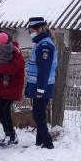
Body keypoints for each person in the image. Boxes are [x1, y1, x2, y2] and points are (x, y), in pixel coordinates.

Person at [25, 17, 57, 149]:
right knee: (39, 113)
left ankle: (48, 143)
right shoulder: (40, 43)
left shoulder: (45, 45)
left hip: (42, 86)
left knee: (38, 114)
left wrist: (40, 89)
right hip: (39, 85)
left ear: (39, 29)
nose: (30, 33)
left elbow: (44, 69)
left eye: (31, 30)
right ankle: (40, 141)